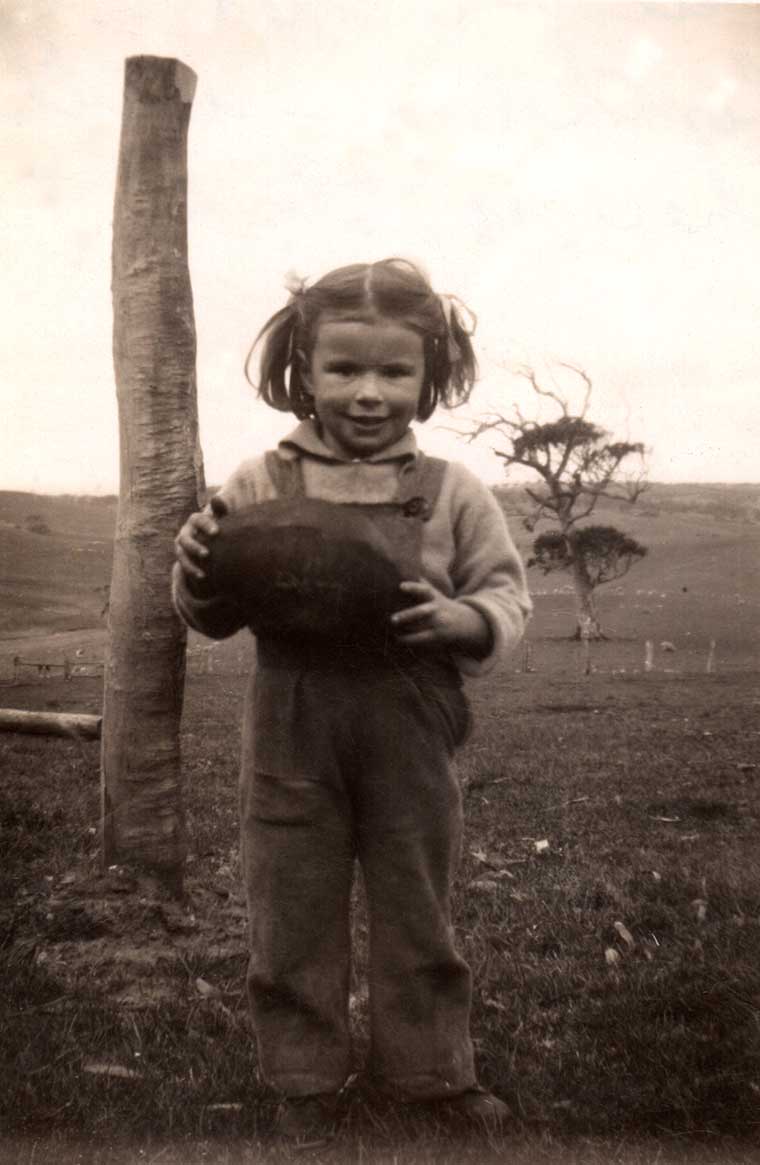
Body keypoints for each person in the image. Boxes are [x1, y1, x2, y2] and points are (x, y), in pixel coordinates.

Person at [173, 258, 531, 1141]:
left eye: (394, 371)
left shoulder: (452, 492)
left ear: (429, 375)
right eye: (344, 370)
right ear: (303, 367)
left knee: (418, 896)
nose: (369, 393)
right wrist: (200, 569)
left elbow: (507, 595)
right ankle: (301, 1077)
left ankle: (431, 1074)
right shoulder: (260, 482)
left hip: (411, 717)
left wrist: (464, 617)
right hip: (291, 716)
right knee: (290, 897)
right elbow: (210, 608)